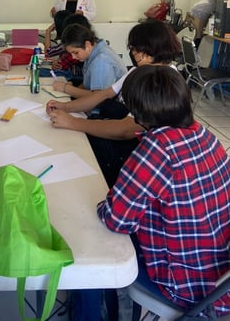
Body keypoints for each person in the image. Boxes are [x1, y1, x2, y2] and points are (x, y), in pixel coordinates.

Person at [97, 65, 230, 315]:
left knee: (100, 249)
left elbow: (117, 220)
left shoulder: (156, 150)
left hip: (186, 287)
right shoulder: (207, 136)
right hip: (220, 279)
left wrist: (105, 203)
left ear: (141, 115)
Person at [46, 19, 181, 188]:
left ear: (147, 50)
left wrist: (73, 122)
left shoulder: (161, 81)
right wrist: (64, 107)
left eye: (134, 48)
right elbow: (102, 95)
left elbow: (126, 130)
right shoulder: (139, 71)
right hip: (125, 131)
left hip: (140, 151)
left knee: (84, 151)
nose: (133, 53)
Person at [56, 23, 127, 97]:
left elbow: (99, 98)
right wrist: (72, 89)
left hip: (110, 105)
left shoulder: (101, 61)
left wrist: (66, 89)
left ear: (87, 45)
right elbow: (87, 85)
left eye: (76, 52)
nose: (73, 57)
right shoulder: (93, 51)